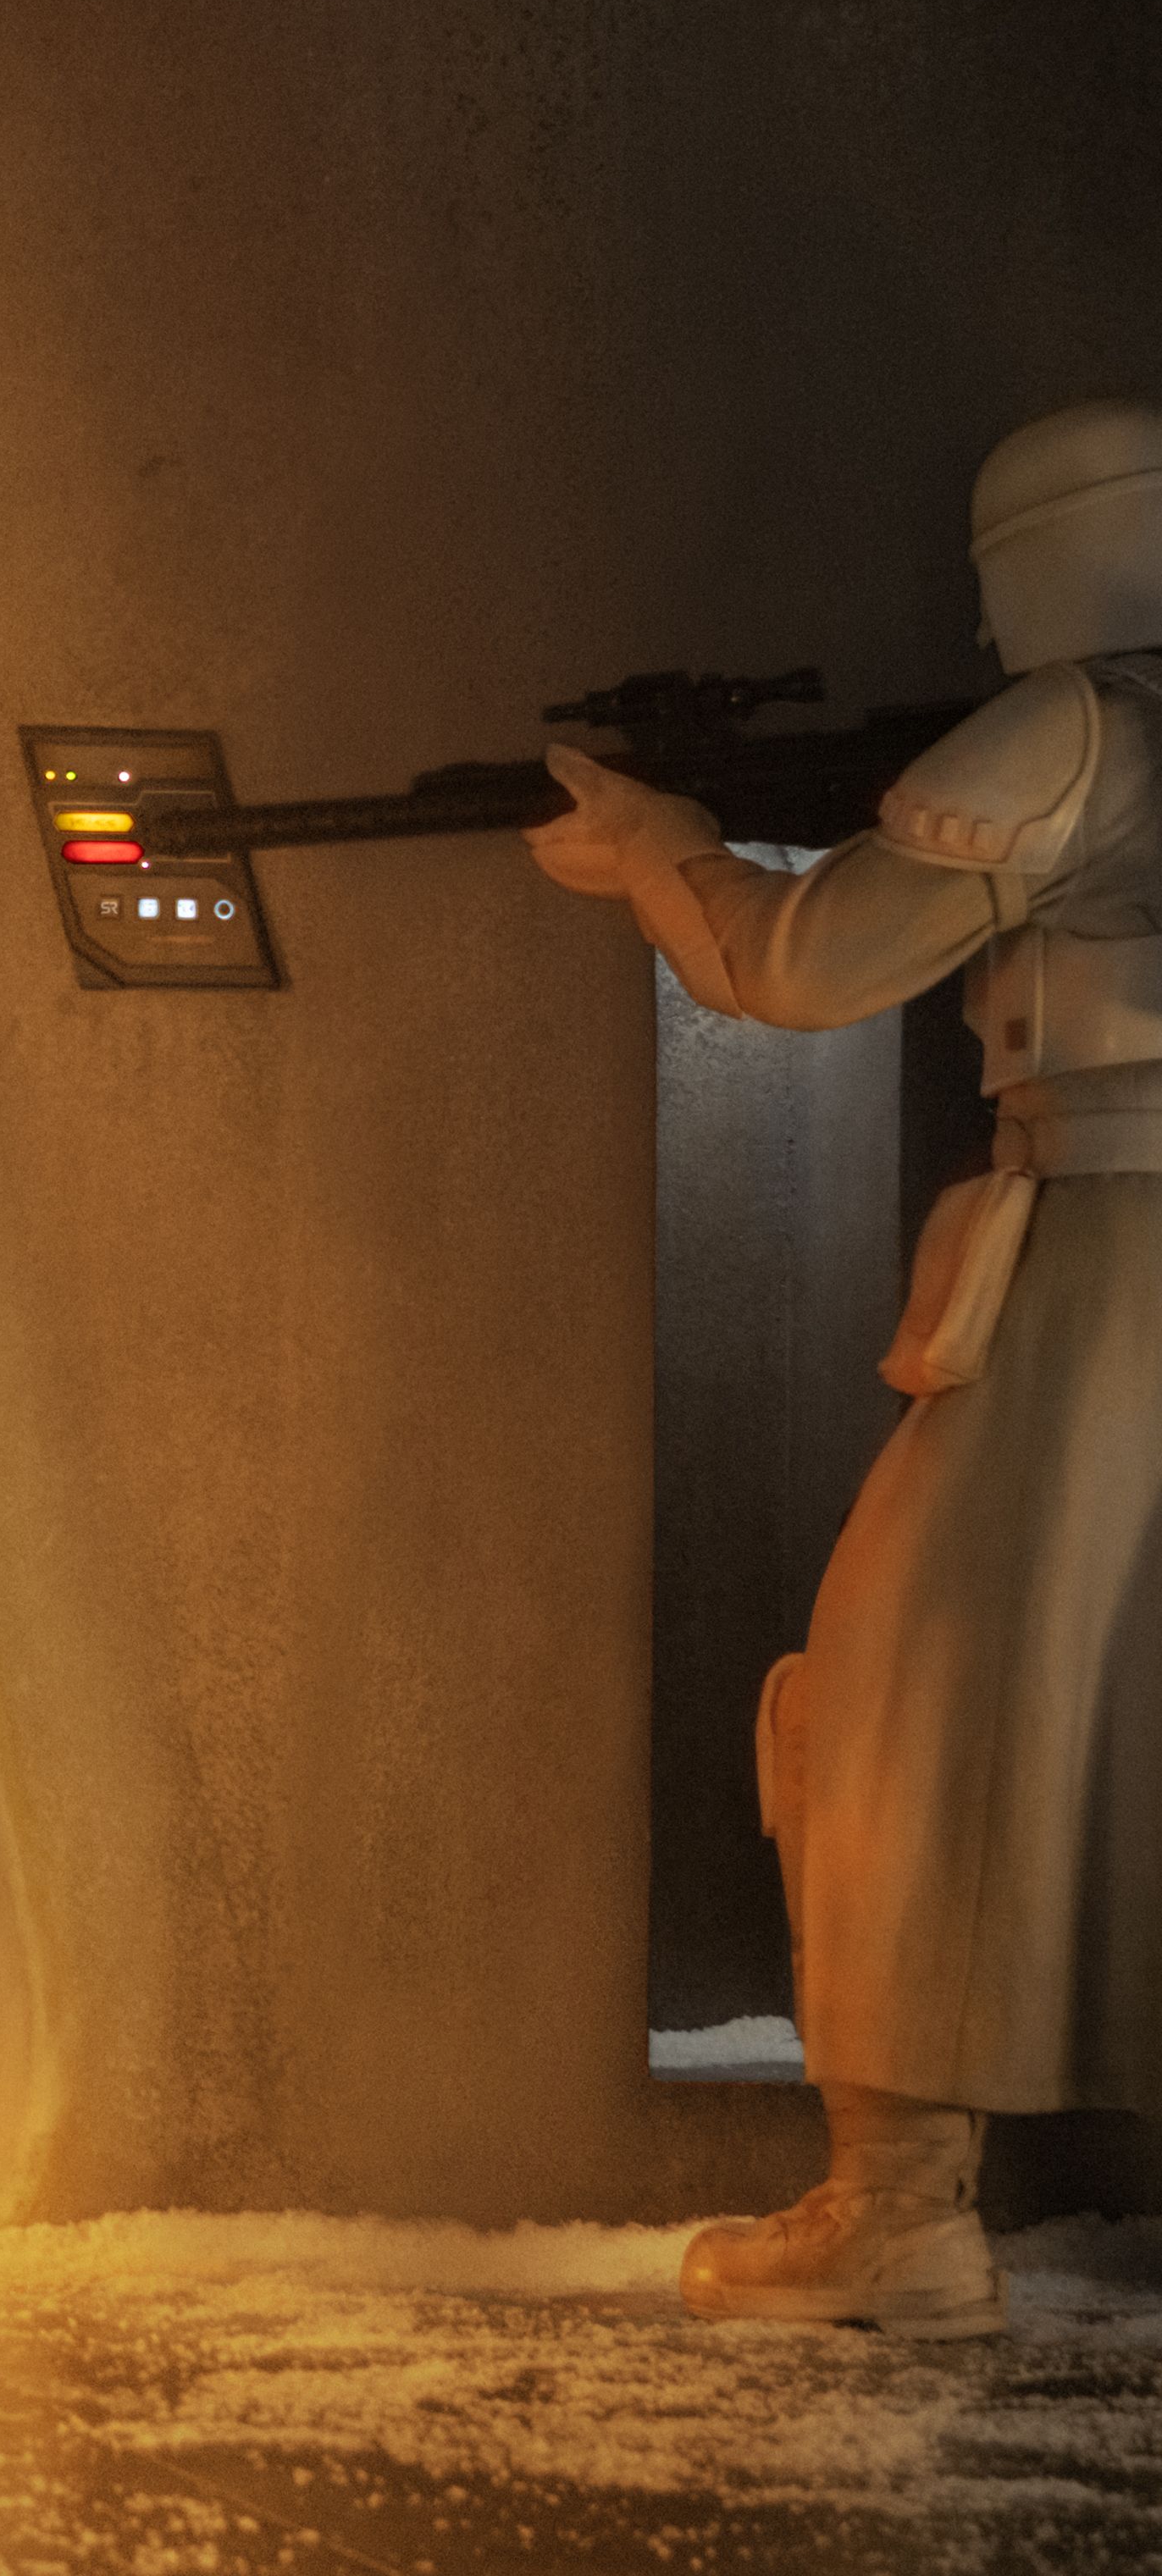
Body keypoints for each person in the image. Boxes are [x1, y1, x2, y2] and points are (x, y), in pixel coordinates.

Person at [534, 396, 1162, 2341]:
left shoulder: (1076, 731)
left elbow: (796, 967)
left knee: (897, 1690)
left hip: (1114, 1239)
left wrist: (671, 855)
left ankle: (898, 2210)